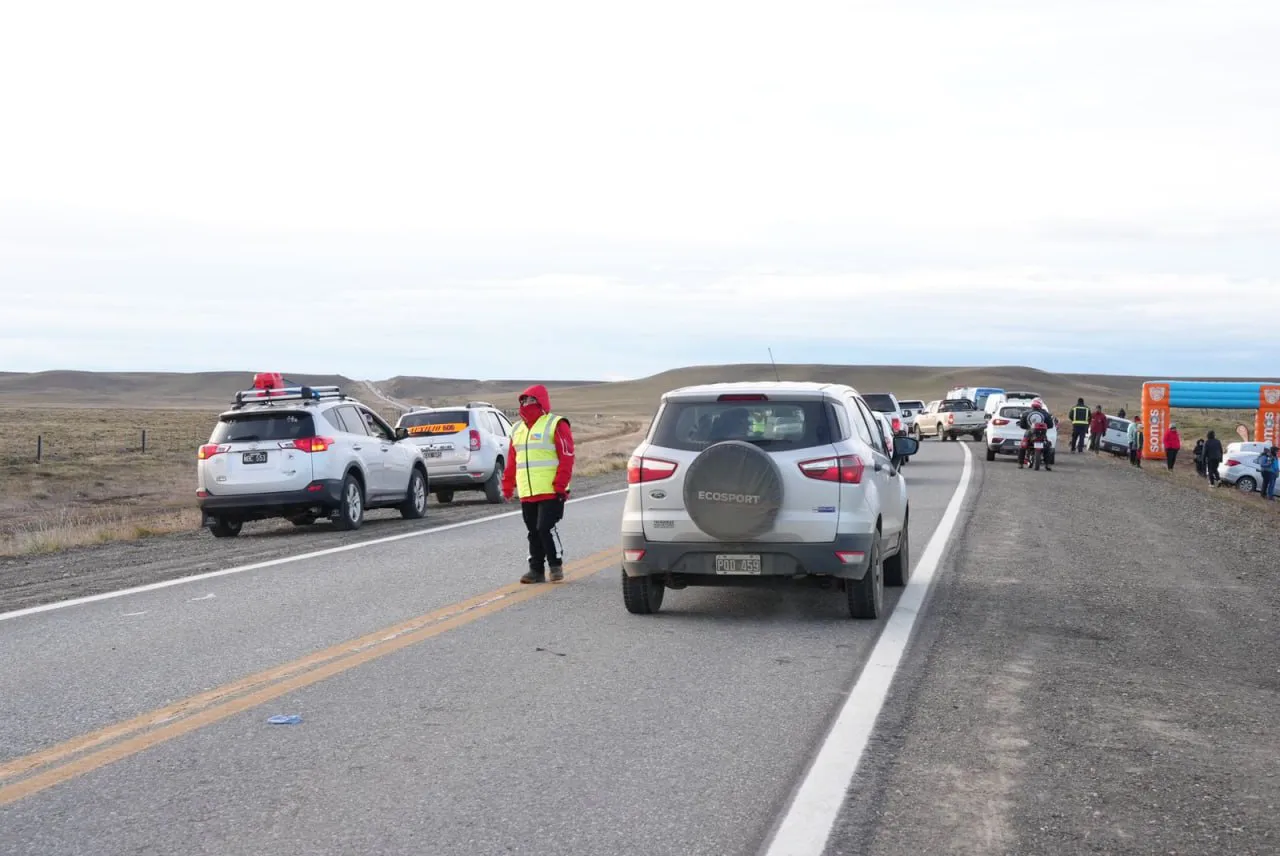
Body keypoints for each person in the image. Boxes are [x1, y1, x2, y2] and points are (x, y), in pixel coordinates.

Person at [502, 384, 575, 584]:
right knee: (533, 531)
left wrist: (561, 484)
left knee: (545, 527)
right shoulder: (516, 429)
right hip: (527, 490)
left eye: (531, 400)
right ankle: (536, 570)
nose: (527, 403)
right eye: (524, 400)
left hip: (551, 489)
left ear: (541, 401)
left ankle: (555, 565)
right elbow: (512, 460)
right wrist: (507, 486)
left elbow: (567, 456)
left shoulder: (556, 423)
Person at [1017, 398, 1053, 470]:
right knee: (1047, 447)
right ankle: (1048, 465)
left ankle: (1020, 463)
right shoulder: (1046, 414)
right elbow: (1050, 425)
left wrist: (1027, 427)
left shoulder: (1026, 413)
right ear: (1040, 405)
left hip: (1029, 433)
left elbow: (1022, 425)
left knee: (1022, 446)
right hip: (1042, 434)